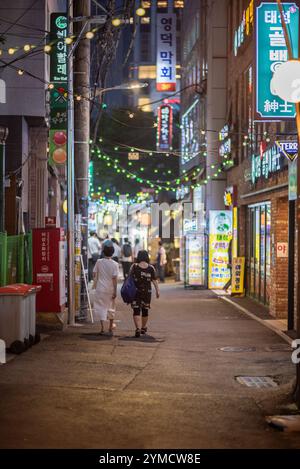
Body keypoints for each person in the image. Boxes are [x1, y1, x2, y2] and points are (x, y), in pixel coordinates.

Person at [129, 250, 159, 338]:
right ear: (147, 257)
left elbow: (129, 278)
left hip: (135, 291)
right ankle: (143, 327)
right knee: (145, 310)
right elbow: (154, 280)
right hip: (147, 292)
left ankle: (137, 328)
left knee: (136, 310)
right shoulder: (151, 268)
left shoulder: (134, 266)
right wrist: (157, 290)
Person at [93, 241, 118, 335]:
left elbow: (94, 273)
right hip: (109, 289)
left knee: (101, 307)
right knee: (111, 307)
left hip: (100, 288)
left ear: (103, 252)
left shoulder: (99, 262)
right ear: (112, 253)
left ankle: (102, 328)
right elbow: (114, 279)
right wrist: (115, 291)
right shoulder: (115, 264)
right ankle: (111, 326)